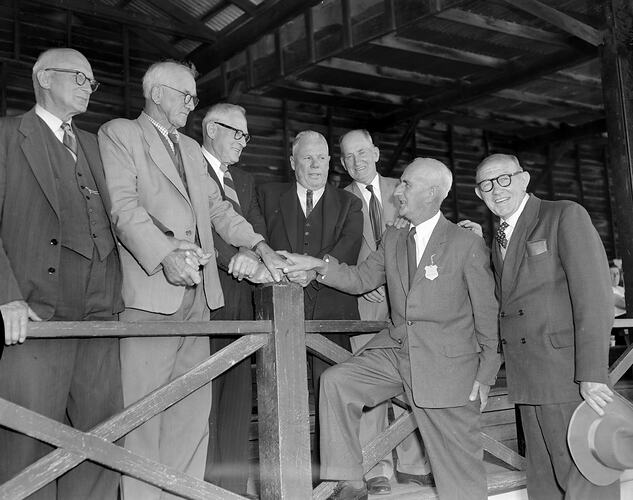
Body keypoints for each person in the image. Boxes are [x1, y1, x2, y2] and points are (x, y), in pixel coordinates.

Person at [98, 60, 283, 500]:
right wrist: (165, 256)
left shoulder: (192, 150)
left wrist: (259, 245)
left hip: (201, 298)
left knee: (191, 411)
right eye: (186, 96)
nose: (191, 104)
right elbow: (123, 209)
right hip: (149, 296)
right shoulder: (120, 134)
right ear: (157, 93)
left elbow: (219, 211)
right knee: (143, 414)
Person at [281, 158, 500, 500]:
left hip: (447, 367)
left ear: (431, 193)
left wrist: (485, 373)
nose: (397, 191)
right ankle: (349, 483)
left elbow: (487, 313)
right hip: (396, 354)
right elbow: (360, 279)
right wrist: (317, 265)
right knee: (337, 382)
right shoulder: (394, 237)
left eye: (406, 185)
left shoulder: (465, 244)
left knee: (460, 474)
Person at [0, 48, 123, 500]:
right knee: (26, 441)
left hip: (99, 315)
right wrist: (6, 296)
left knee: (102, 438)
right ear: (44, 77)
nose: (88, 87)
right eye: (79, 77)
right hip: (35, 314)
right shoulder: (8, 135)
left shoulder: (93, 145)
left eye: (92, 81)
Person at [474, 153, 620, 500]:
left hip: (568, 377)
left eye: (504, 179)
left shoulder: (563, 215)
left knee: (586, 478)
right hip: (528, 380)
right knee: (544, 483)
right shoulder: (498, 239)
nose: (497, 189)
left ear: (525, 179)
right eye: (486, 184)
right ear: (479, 194)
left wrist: (592, 373)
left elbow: (595, 297)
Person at [339, 129, 431, 495]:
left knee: (413, 380)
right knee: (370, 386)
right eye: (347, 157)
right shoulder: (338, 199)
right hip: (366, 303)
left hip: (411, 301)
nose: (356, 162)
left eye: (362, 152)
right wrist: (368, 278)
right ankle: (374, 464)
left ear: (376, 152)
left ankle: (413, 462)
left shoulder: (406, 186)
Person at [258, 130, 363, 403]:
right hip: (279, 314)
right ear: (293, 162)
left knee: (333, 397)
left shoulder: (349, 203)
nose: (316, 165)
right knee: (281, 399)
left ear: (330, 161)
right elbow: (260, 241)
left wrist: (313, 271)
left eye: (321, 158)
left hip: (332, 313)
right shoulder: (267, 195)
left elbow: (349, 248)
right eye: (307, 157)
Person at [201, 103, 267, 495]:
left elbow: (255, 228)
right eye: (237, 133)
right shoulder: (190, 164)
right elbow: (198, 226)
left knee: (237, 395)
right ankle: (202, 484)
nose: (243, 142)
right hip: (205, 297)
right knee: (202, 395)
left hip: (244, 297)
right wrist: (233, 259)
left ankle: (232, 487)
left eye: (247, 136)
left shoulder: (245, 179)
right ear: (212, 129)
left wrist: (259, 257)